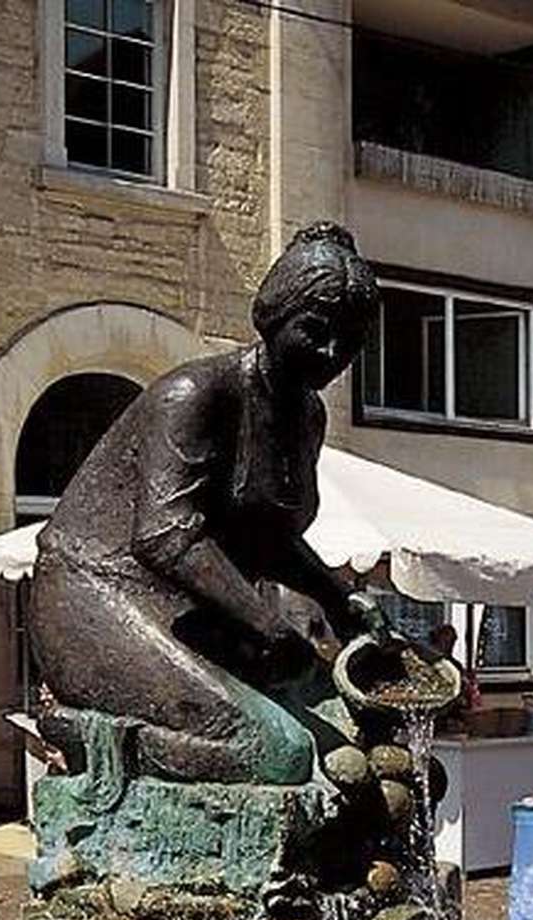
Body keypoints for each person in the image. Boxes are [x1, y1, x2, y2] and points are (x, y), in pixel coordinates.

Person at [29, 222, 388, 785]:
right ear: (273, 317)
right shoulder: (196, 395)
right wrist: (266, 625)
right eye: (315, 331)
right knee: (281, 752)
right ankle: (93, 742)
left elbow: (270, 541)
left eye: (350, 342)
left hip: (195, 604)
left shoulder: (307, 417)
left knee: (352, 726)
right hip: (97, 591)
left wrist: (342, 599)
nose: (330, 353)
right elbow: (167, 535)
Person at [428, 624, 481, 713]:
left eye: (452, 641)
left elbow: (468, 691)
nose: (450, 645)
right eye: (446, 641)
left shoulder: (455, 665)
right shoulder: (429, 662)